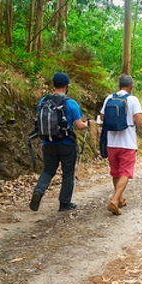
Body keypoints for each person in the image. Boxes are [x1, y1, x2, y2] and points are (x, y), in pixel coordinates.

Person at [29, 72, 90, 212]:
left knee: (48, 170)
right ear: (67, 86)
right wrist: (87, 124)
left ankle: (39, 191)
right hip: (66, 144)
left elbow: (40, 122)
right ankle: (64, 203)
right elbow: (79, 126)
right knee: (67, 174)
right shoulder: (70, 103)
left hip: (48, 144)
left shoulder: (43, 101)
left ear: (53, 85)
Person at [100, 75, 142, 216]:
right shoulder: (133, 100)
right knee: (125, 172)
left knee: (116, 172)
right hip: (127, 143)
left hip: (111, 142)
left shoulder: (109, 98)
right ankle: (114, 200)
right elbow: (139, 121)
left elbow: (101, 117)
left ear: (119, 86)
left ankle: (120, 199)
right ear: (131, 86)